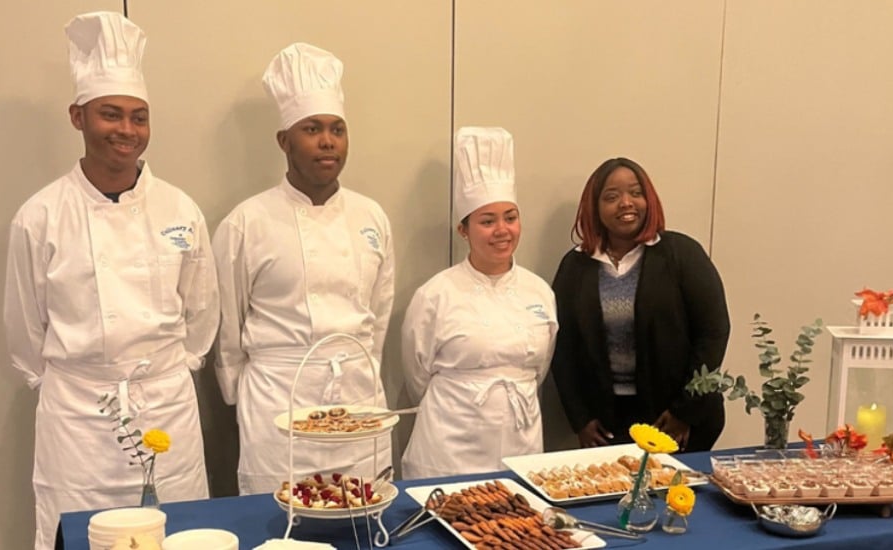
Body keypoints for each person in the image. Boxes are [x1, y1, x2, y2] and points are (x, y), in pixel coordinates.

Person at [3, 12, 219, 549]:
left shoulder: (180, 208)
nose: (127, 130)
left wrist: (166, 374)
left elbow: (202, 313)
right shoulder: (41, 215)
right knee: (79, 534)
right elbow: (25, 330)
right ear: (78, 117)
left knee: (181, 532)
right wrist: (80, 383)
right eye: (110, 114)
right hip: (78, 418)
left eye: (139, 117)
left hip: (165, 401)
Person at [213, 43, 395, 495]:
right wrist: (245, 398)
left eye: (337, 129)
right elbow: (226, 330)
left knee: (362, 512)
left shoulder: (371, 217)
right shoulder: (246, 223)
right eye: (312, 129)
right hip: (278, 401)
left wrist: (363, 370)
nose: (327, 141)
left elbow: (380, 314)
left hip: (356, 399)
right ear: (284, 140)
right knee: (278, 521)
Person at [401, 127, 557, 479]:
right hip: (449, 446)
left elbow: (539, 371)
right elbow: (417, 375)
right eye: (487, 221)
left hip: (522, 442)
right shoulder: (436, 294)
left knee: (510, 531)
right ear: (464, 230)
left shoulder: (540, 292)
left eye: (510, 217)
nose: (502, 230)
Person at [550, 157, 729, 452]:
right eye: (611, 197)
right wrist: (579, 418)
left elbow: (713, 333)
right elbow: (562, 347)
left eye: (636, 193)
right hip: (608, 422)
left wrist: (685, 411)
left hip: (676, 417)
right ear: (594, 207)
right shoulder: (575, 266)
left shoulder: (681, 254)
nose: (626, 203)